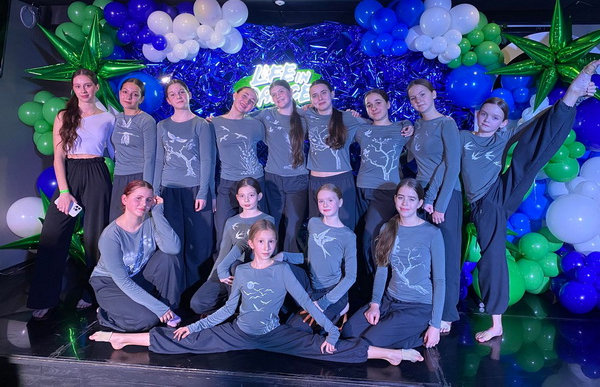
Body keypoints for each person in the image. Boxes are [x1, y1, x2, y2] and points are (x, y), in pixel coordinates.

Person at [90, 220, 423, 365]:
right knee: (184, 339)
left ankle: (389, 354)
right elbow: (227, 310)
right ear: (251, 244)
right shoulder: (243, 271)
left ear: (275, 244)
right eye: (261, 241)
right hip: (238, 333)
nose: (266, 246)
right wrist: (194, 326)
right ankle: (121, 338)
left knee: (325, 349)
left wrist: (333, 332)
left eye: (271, 241)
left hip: (273, 335)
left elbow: (308, 304)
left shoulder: (282, 271)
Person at [461, 60, 599, 342]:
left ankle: (496, 323)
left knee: (530, 153)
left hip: (498, 194)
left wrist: (572, 97)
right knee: (492, 254)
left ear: (502, 123)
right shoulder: (462, 137)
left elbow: (536, 124)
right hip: (483, 204)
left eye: (494, 117)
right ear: (477, 114)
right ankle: (494, 319)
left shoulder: (503, 136)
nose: (487, 120)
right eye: (484, 114)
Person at [28, 68, 115, 319]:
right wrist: (64, 191)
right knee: (53, 236)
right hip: (70, 172)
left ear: (96, 87)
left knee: (96, 238)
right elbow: (58, 156)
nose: (83, 90)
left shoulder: (108, 118)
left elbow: (115, 152)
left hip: (97, 172)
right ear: (73, 89)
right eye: (78, 86)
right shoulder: (63, 115)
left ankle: (93, 294)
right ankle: (44, 298)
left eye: (87, 85)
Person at [341, 178, 445, 351]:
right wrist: (375, 304)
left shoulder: (432, 233)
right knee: (348, 332)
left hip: (417, 306)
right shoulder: (387, 228)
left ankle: (417, 335)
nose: (405, 203)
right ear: (395, 199)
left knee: (370, 342)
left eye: (411, 199)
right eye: (401, 197)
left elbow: (440, 281)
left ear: (420, 203)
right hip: (390, 301)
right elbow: (382, 270)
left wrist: (435, 325)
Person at [405, 78, 461, 334]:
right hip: (421, 195)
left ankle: (448, 312)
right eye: (413, 98)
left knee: (447, 255)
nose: (418, 100)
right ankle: (428, 307)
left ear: (433, 94)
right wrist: (406, 130)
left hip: (444, 196)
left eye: (422, 94)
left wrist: (440, 205)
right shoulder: (417, 125)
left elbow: (452, 166)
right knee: (425, 255)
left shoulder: (446, 124)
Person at [91, 180, 182, 332]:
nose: (144, 204)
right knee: (147, 319)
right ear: (124, 199)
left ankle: (169, 310)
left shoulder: (151, 221)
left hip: (137, 276)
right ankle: (106, 313)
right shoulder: (110, 236)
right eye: (138, 198)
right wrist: (158, 309)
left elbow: (173, 249)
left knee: (168, 259)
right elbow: (123, 281)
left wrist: (158, 213)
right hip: (110, 283)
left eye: (149, 199)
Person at [153, 79, 215, 290]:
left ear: (189, 94)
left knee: (200, 242)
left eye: (181, 92)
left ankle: (196, 292)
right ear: (168, 100)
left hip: (195, 190)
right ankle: (176, 291)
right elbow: (158, 160)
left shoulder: (201, 124)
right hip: (168, 191)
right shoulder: (162, 126)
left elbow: (208, 160)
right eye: (172, 94)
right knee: (174, 242)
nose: (178, 96)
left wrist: (204, 193)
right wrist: (155, 191)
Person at [189, 177, 274, 315]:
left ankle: (239, 311)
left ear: (259, 196)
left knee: (236, 266)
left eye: (251, 195)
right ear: (237, 198)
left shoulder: (266, 220)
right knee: (198, 303)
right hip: (227, 271)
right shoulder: (231, 221)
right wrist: (213, 277)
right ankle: (228, 311)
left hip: (249, 271)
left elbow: (260, 250)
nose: (246, 200)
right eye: (242, 196)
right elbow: (223, 251)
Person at [279, 184, 357, 326]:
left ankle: (341, 309)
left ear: (340, 202)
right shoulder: (313, 223)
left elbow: (351, 277)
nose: (325, 204)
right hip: (311, 286)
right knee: (278, 267)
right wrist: (284, 256)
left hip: (331, 292)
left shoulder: (348, 235)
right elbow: (311, 257)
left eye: (330, 200)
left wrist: (323, 303)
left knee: (297, 328)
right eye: (321, 201)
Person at [355, 89, 412, 276]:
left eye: (378, 102)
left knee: (373, 237)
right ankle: (365, 283)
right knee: (359, 235)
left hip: (386, 191)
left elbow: (421, 143)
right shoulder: (362, 129)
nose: (374, 107)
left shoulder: (401, 129)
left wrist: (409, 124)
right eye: (369, 105)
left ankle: (379, 283)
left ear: (388, 104)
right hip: (361, 189)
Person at [254, 80, 308, 252]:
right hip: (273, 179)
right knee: (272, 224)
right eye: (274, 94)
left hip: (298, 179)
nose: (278, 96)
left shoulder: (304, 116)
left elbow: (326, 118)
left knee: (293, 227)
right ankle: (270, 260)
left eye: (281, 92)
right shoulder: (266, 114)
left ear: (290, 92)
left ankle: (290, 262)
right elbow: (240, 119)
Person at [305, 79, 366, 230]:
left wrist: (406, 125)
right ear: (311, 100)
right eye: (314, 95)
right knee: (318, 228)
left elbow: (377, 125)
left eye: (323, 93)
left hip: (341, 181)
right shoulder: (307, 115)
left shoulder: (347, 117)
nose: (320, 98)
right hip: (316, 182)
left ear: (332, 94)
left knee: (345, 226)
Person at [211, 86, 266, 250]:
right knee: (223, 231)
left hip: (253, 181)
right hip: (227, 182)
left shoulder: (256, 125)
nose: (246, 102)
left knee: (257, 232)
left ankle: (256, 264)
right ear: (235, 95)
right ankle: (223, 265)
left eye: (252, 101)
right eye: (244, 96)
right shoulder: (214, 123)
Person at [109, 78, 157, 221]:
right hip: (119, 176)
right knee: (116, 220)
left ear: (141, 99)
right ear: (119, 94)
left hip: (139, 176)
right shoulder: (115, 119)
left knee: (137, 221)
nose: (128, 97)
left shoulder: (146, 121)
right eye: (125, 92)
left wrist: (147, 188)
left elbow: (150, 157)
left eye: (135, 94)